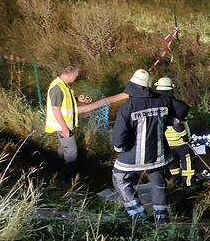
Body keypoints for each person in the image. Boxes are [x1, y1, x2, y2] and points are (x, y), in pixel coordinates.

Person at [111, 69, 177, 223]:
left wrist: (120, 148)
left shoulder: (128, 107)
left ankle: (137, 214)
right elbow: (181, 110)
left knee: (119, 178)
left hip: (133, 156)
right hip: (158, 155)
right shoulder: (163, 101)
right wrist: (172, 122)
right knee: (157, 177)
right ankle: (162, 216)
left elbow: (119, 137)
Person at [44, 65, 105, 176]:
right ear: (70, 75)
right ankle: (69, 178)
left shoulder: (62, 85)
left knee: (63, 150)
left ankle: (60, 172)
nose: (75, 79)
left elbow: (63, 101)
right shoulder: (57, 88)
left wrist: (77, 99)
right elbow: (55, 109)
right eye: (75, 76)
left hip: (63, 126)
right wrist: (64, 127)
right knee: (72, 152)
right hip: (62, 126)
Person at [153, 77, 195, 188]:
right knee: (187, 164)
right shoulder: (178, 105)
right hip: (181, 142)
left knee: (172, 166)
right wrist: (184, 137)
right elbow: (178, 124)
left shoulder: (153, 105)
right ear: (171, 89)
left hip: (166, 143)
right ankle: (188, 185)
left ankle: (175, 185)